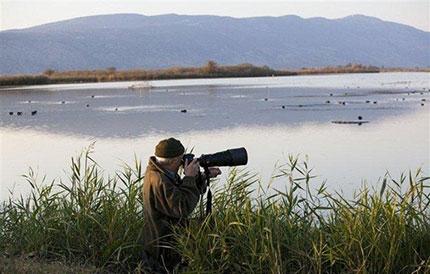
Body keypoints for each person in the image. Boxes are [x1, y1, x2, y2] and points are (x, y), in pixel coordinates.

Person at [143, 137, 221, 272]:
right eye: (181, 159)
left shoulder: (162, 173)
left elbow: (179, 192)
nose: (183, 162)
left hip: (168, 232)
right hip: (164, 245)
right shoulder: (160, 181)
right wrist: (189, 177)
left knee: (210, 223)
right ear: (172, 161)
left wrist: (200, 178)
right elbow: (182, 208)